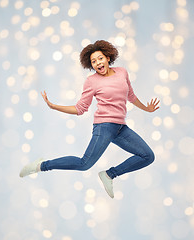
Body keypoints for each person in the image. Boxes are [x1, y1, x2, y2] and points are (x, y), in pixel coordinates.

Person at [19, 40, 160, 198]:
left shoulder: (122, 72)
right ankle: (41, 165)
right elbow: (80, 109)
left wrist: (146, 108)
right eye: (93, 61)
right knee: (84, 164)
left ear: (107, 57)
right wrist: (54, 106)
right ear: (90, 65)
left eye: (100, 58)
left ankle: (109, 175)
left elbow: (131, 96)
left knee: (148, 156)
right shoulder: (92, 82)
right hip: (104, 127)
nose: (98, 63)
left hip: (121, 128)